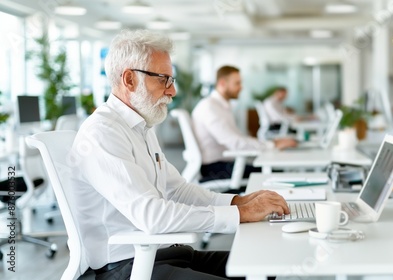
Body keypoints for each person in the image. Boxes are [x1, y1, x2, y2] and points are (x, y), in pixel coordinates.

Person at [69, 30, 290, 280]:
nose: (172, 91)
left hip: (164, 253)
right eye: (163, 79)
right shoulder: (102, 133)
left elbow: (179, 191)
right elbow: (152, 216)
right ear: (129, 79)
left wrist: (238, 202)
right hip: (128, 267)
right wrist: (240, 215)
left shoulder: (141, 126)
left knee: (263, 263)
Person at [192, 66, 297, 182]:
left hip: (227, 163)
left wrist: (270, 144)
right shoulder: (210, 107)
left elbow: (239, 139)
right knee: (276, 175)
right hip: (215, 168)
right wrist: (271, 145)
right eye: (237, 83)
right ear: (222, 83)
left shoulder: (221, 107)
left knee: (275, 171)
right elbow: (235, 142)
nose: (241, 87)